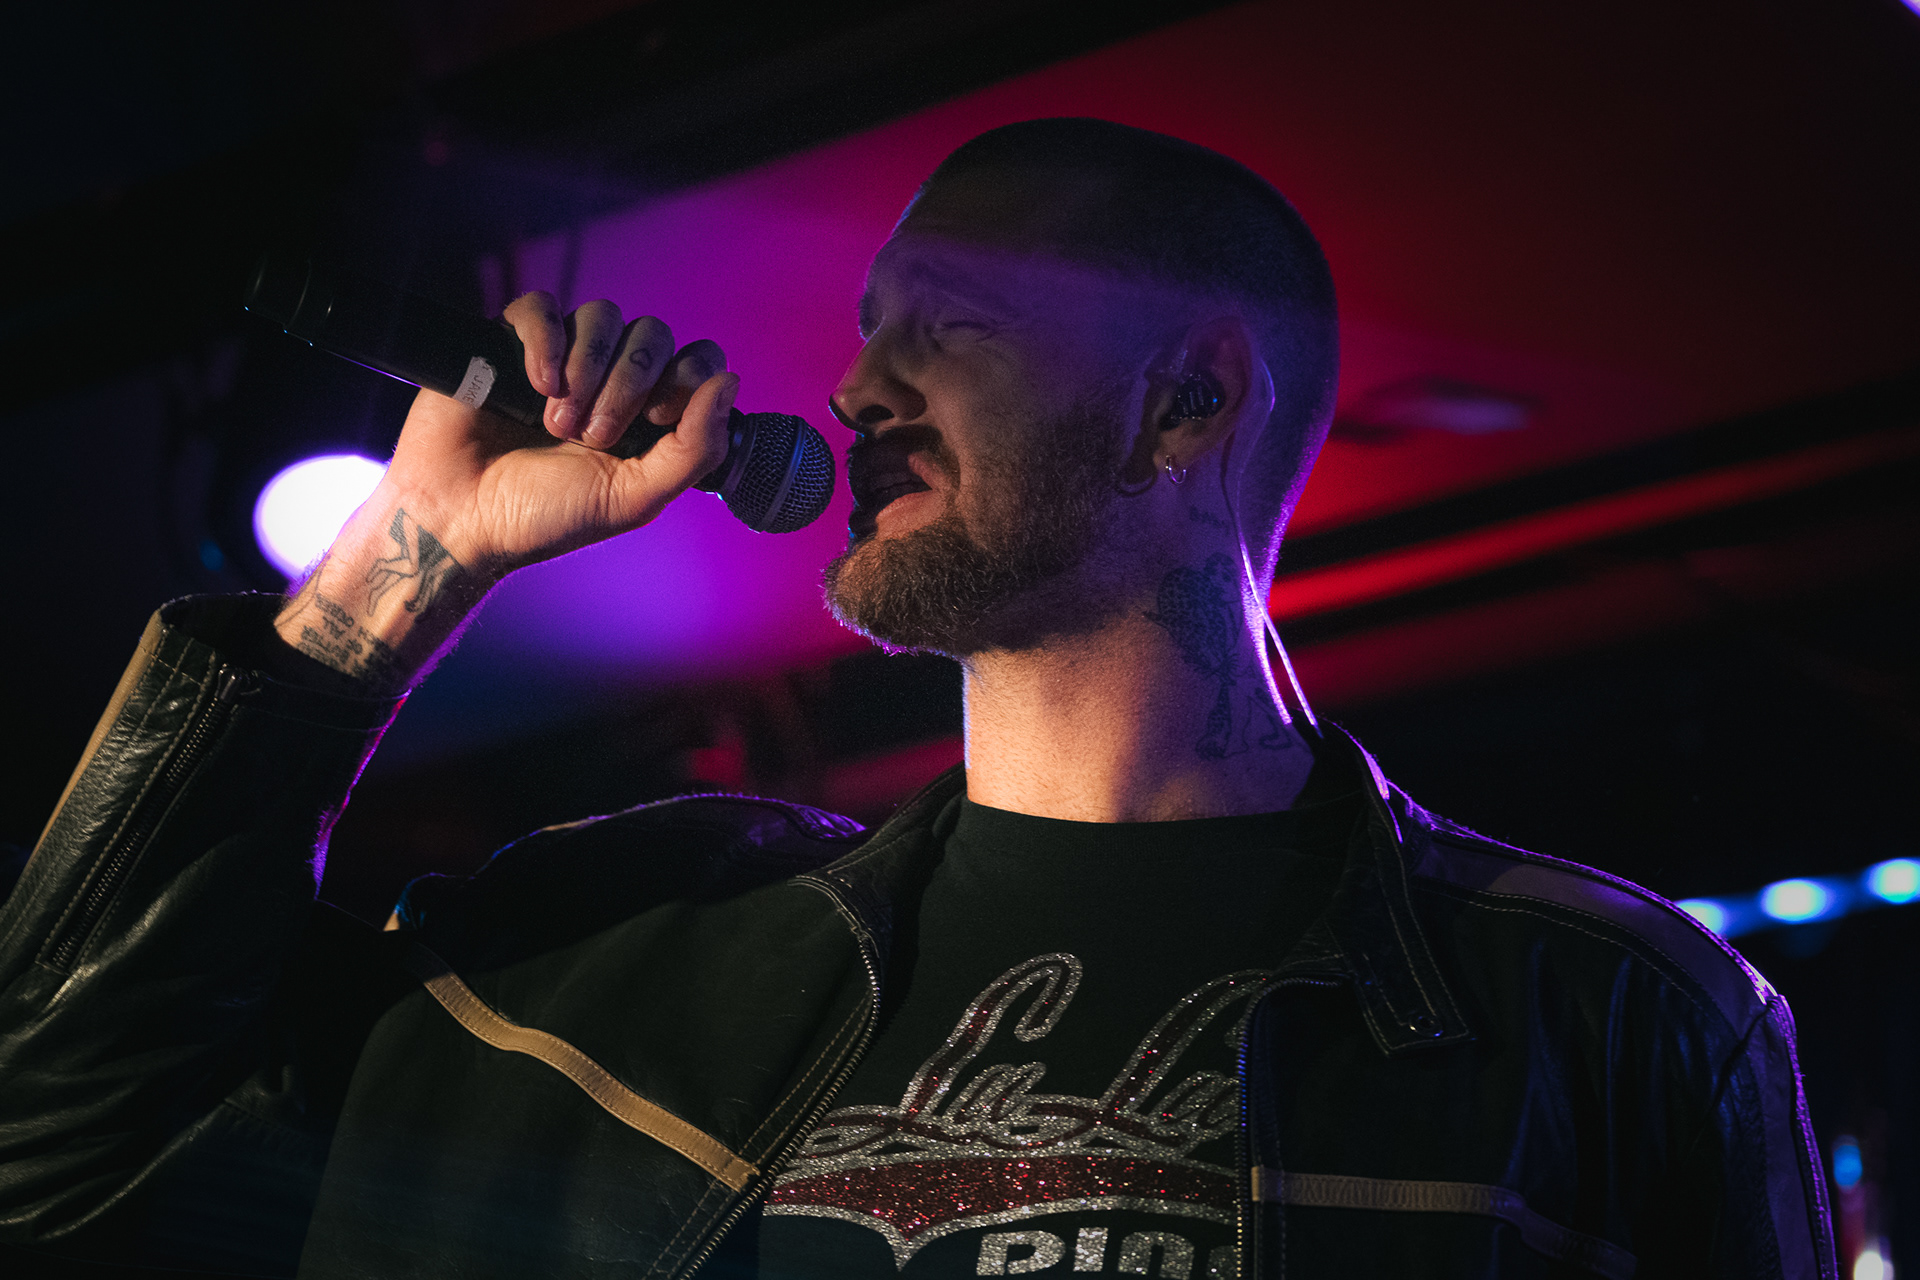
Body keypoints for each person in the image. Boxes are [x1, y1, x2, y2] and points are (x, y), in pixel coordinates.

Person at [0, 119, 1834, 1278]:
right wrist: (403, 567)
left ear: (1189, 403)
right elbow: (49, 1162)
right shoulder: (618, 951)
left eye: (950, 324)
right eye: (871, 321)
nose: (859, 385)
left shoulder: (1611, 1010)